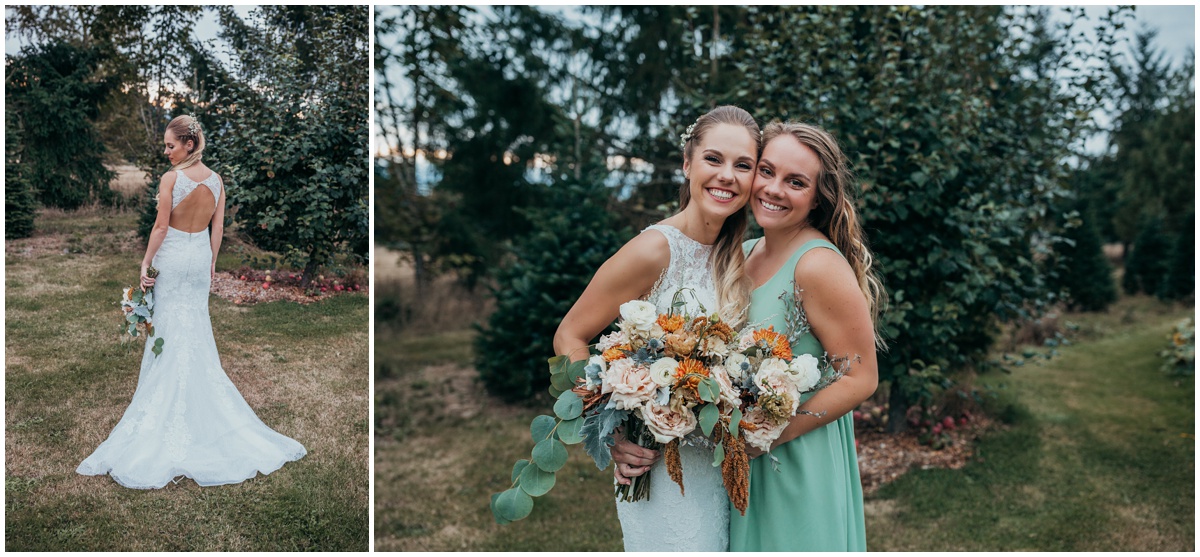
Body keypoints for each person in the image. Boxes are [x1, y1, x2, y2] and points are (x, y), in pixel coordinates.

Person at [553, 105, 759, 551]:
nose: (727, 175)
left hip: (722, 467)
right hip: (660, 472)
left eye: (743, 165)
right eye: (714, 159)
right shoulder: (654, 249)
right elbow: (570, 334)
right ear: (687, 163)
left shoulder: (738, 256)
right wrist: (612, 432)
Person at [77, 115, 307, 489]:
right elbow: (218, 228)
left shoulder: (172, 180)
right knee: (195, 329)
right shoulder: (216, 181)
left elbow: (161, 227)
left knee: (166, 328)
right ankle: (201, 407)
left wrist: (145, 263)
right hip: (199, 257)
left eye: (170, 146)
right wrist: (212, 260)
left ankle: (166, 408)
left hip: (172, 256)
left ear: (188, 143)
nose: (166, 153)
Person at [729, 120, 885, 550]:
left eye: (795, 182)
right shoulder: (742, 253)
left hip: (792, 463)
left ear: (817, 198)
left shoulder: (816, 265)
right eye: (767, 171)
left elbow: (861, 378)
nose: (773, 189)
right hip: (737, 461)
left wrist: (768, 435)